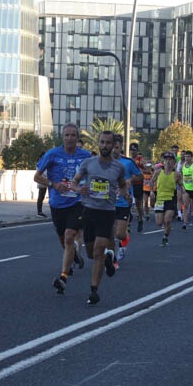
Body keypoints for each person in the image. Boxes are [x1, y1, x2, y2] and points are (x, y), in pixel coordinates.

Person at [72, 131, 128, 305]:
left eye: (108, 143)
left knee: (98, 250)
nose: (105, 146)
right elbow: (74, 182)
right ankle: (108, 258)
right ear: (98, 143)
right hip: (88, 211)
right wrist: (77, 189)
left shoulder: (119, 167)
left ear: (113, 146)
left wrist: (126, 195)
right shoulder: (88, 163)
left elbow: (122, 185)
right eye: (102, 142)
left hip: (107, 212)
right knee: (90, 253)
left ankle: (93, 290)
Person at [34, 123, 91, 294]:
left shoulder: (86, 156)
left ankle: (64, 276)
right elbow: (36, 177)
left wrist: (85, 188)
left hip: (77, 203)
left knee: (69, 236)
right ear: (63, 137)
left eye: (73, 135)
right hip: (57, 204)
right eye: (67, 135)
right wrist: (54, 184)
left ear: (77, 137)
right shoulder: (52, 154)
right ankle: (73, 256)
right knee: (62, 239)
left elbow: (93, 176)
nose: (70, 139)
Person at [112, 134, 142, 263]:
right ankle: (111, 257)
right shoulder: (103, 161)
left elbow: (140, 176)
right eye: (112, 146)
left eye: (117, 147)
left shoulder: (128, 162)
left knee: (120, 234)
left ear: (121, 148)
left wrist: (130, 179)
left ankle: (124, 242)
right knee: (108, 233)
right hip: (107, 202)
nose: (114, 150)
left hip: (124, 201)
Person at [153, 152, 179, 246]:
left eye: (170, 160)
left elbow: (181, 185)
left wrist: (182, 193)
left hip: (170, 199)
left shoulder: (176, 174)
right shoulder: (158, 172)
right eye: (166, 159)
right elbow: (152, 181)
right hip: (159, 199)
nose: (168, 161)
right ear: (163, 161)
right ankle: (166, 227)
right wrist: (152, 192)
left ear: (174, 162)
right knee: (159, 223)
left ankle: (165, 237)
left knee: (167, 220)